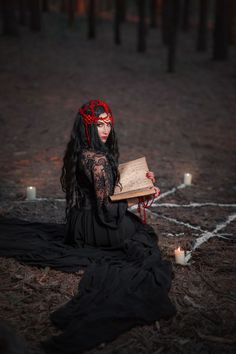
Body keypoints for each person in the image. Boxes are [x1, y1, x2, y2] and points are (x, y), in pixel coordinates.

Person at [0, 100, 176, 354]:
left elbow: (105, 190)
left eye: (107, 124)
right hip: (96, 224)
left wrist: (142, 183)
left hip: (80, 222)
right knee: (140, 235)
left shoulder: (84, 151)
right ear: (87, 126)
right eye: (98, 125)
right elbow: (107, 209)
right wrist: (142, 194)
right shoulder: (97, 160)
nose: (104, 130)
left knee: (137, 230)